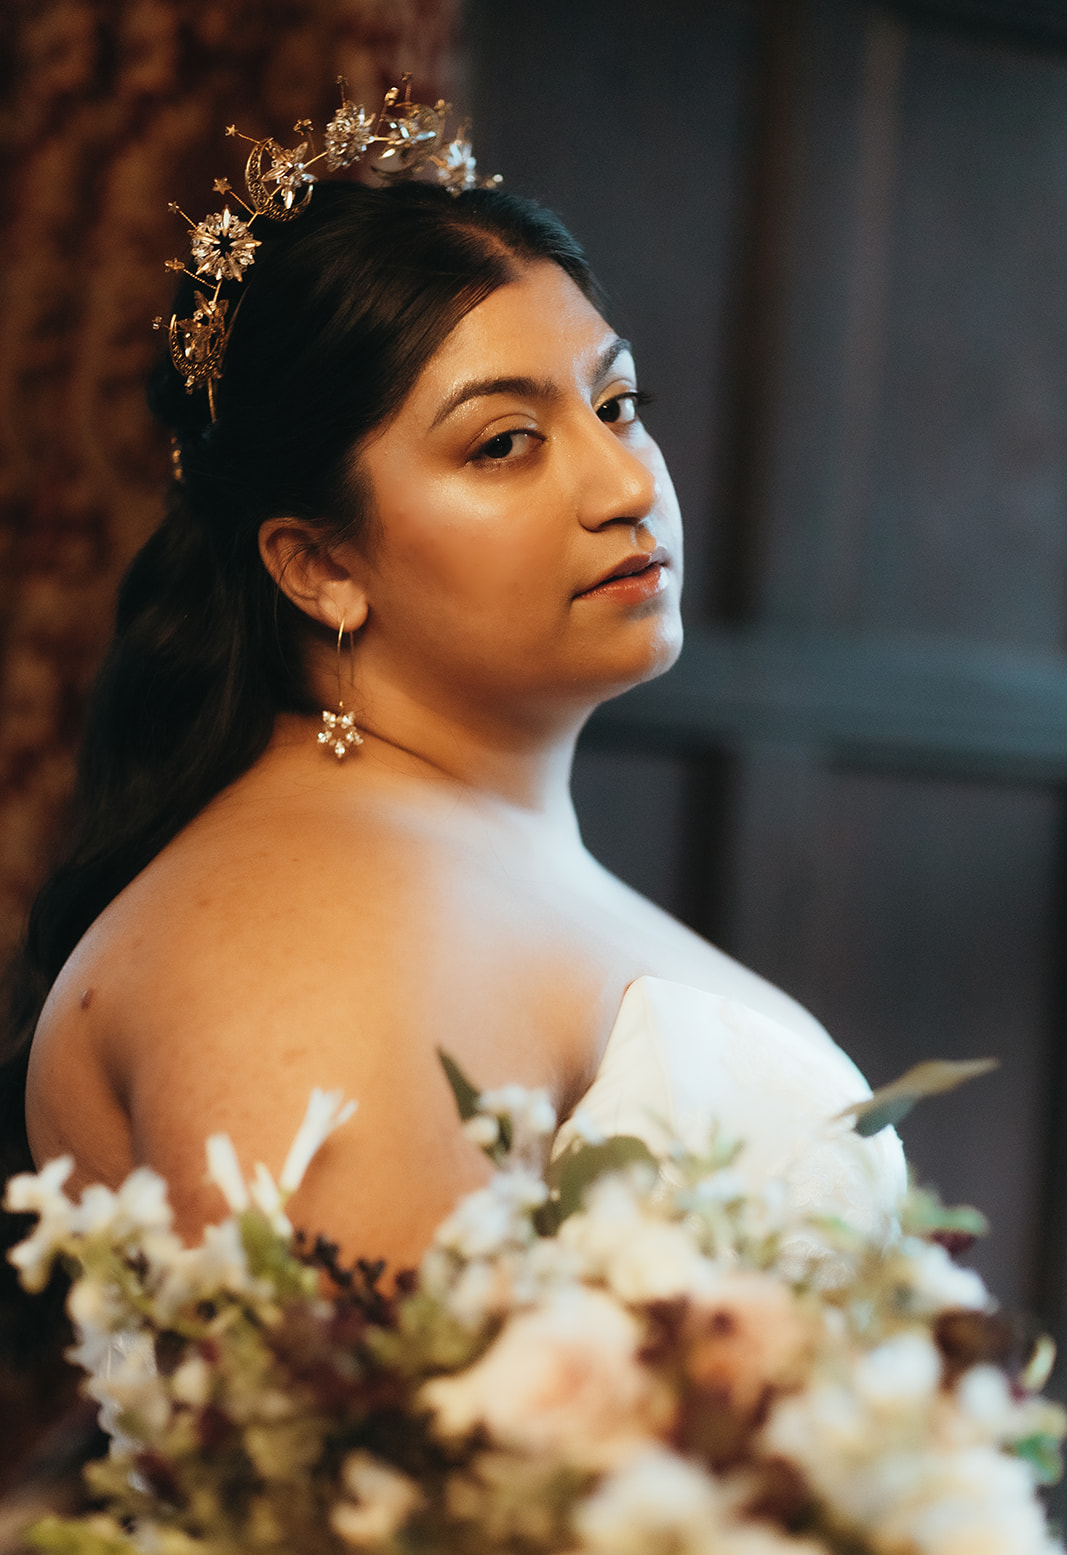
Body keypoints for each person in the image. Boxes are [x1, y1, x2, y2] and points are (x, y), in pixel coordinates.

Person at [1, 97, 904, 1301]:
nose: (624, 481)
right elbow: (362, 1463)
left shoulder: (450, 852)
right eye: (501, 443)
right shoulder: (302, 923)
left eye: (615, 404)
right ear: (319, 564)